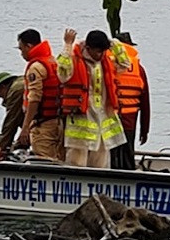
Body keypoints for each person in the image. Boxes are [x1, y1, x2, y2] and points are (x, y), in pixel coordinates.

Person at [57, 28, 130, 168]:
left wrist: (112, 43)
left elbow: (125, 64)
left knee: (101, 161)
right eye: (97, 51)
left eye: (103, 51)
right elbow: (62, 73)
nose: (101, 55)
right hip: (82, 118)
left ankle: (99, 188)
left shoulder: (106, 61)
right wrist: (67, 45)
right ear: (88, 48)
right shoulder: (74, 58)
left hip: (103, 118)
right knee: (76, 161)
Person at [16, 29, 63, 160]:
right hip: (59, 122)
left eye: (21, 49)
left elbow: (34, 99)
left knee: (44, 160)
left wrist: (25, 127)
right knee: (60, 160)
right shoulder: (53, 62)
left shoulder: (36, 67)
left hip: (43, 125)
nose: (22, 54)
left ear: (29, 46)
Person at [110, 32, 150, 170]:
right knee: (127, 156)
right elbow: (145, 103)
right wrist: (145, 130)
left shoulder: (108, 64)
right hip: (129, 121)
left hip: (109, 120)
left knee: (111, 156)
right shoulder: (139, 69)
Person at [0, 71, 25, 160]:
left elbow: (11, 122)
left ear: (3, 87)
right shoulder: (23, 82)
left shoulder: (16, 90)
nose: (3, 101)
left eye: (1, 96)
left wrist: (2, 149)